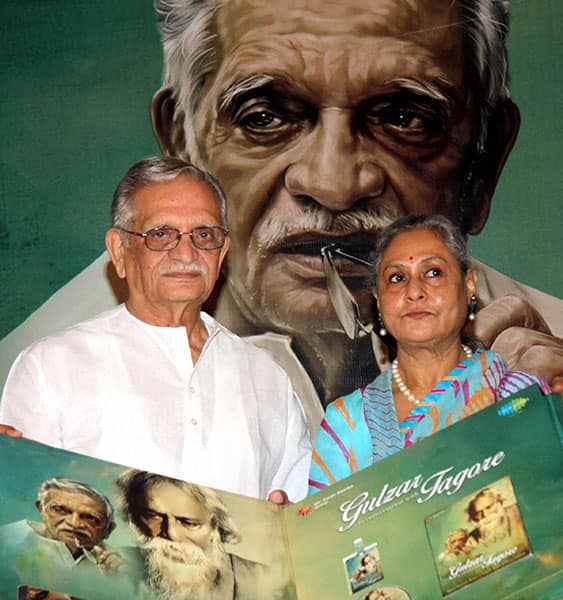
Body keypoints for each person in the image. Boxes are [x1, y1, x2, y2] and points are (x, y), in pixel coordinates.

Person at [1, 0, 561, 432]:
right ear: (181, 146)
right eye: (264, 116)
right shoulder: (31, 395)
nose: (335, 185)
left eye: (403, 117)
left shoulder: (547, 370)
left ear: (484, 163)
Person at [0, 157, 311, 503]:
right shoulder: (51, 367)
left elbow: (297, 518)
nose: (185, 252)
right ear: (120, 250)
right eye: (161, 234)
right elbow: (20, 514)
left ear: (221, 252)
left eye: (204, 235)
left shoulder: (267, 379)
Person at [308, 215, 551, 491]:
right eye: (397, 278)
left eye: (433, 272)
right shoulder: (346, 423)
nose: (414, 292)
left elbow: (549, 510)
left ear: (469, 283)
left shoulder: (521, 397)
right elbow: (327, 529)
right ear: (378, 299)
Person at [115, 469, 282, 600]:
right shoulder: (114, 565)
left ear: (215, 527)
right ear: (135, 518)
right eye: (154, 517)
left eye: (190, 523)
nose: (172, 533)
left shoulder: (267, 584)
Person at [0, 478, 122, 588]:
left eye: (90, 518)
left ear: (108, 529)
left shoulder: (117, 564)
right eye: (59, 510)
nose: (74, 523)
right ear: (41, 509)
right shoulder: (6, 541)